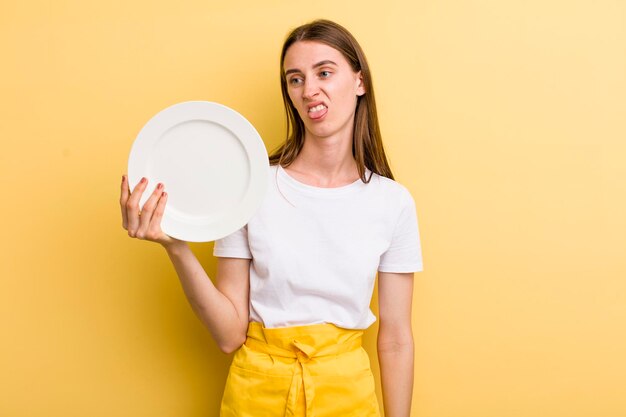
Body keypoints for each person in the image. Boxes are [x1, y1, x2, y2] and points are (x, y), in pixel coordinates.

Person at [120, 19, 422, 417]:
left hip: (347, 398)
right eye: (294, 80)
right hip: (255, 395)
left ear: (359, 81)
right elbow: (229, 336)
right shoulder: (253, 188)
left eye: (324, 73)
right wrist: (176, 248)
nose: (309, 90)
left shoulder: (392, 202)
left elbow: (396, 339)